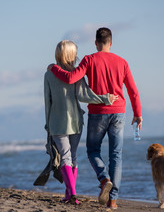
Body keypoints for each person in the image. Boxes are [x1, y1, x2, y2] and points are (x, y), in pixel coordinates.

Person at [48, 28, 143, 209]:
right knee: (116, 156)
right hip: (119, 113)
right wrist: (137, 114)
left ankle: (103, 178)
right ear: (111, 43)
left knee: (93, 151)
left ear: (95, 42)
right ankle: (112, 200)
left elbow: (70, 78)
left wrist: (54, 68)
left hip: (98, 113)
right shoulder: (122, 62)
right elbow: (133, 91)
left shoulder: (89, 60)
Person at [44, 40, 118, 205]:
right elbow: (85, 95)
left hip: (57, 122)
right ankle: (70, 193)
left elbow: (47, 102)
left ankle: (71, 194)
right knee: (73, 157)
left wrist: (47, 125)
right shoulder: (76, 74)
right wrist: (105, 98)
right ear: (71, 54)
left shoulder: (49, 74)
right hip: (76, 120)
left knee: (65, 156)